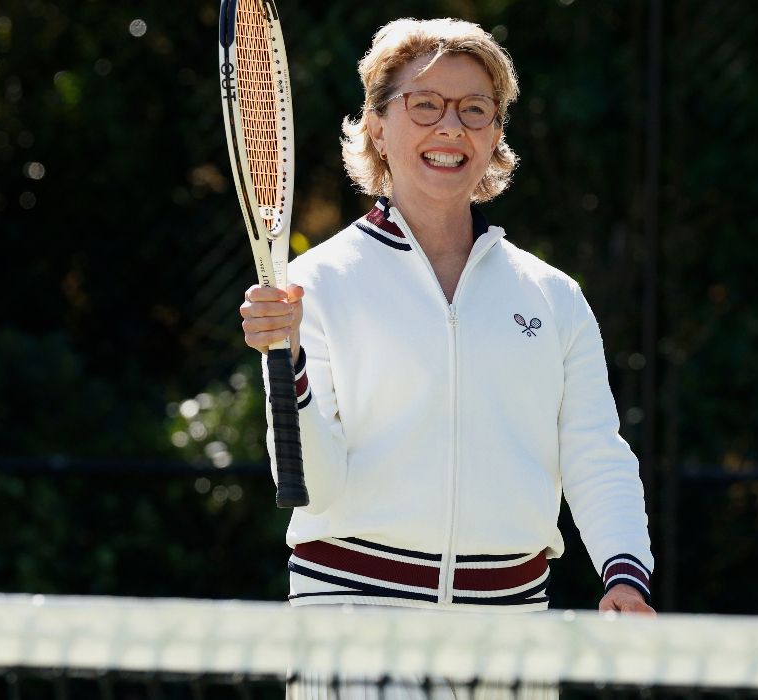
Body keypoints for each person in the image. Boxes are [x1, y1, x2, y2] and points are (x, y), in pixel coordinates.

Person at [239, 17, 654, 615]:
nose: (451, 127)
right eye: (425, 105)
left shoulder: (553, 295)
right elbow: (316, 489)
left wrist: (625, 571)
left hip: (513, 625)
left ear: (495, 135)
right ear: (378, 127)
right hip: (351, 617)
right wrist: (291, 361)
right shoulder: (314, 286)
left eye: (474, 110)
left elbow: (594, 450)